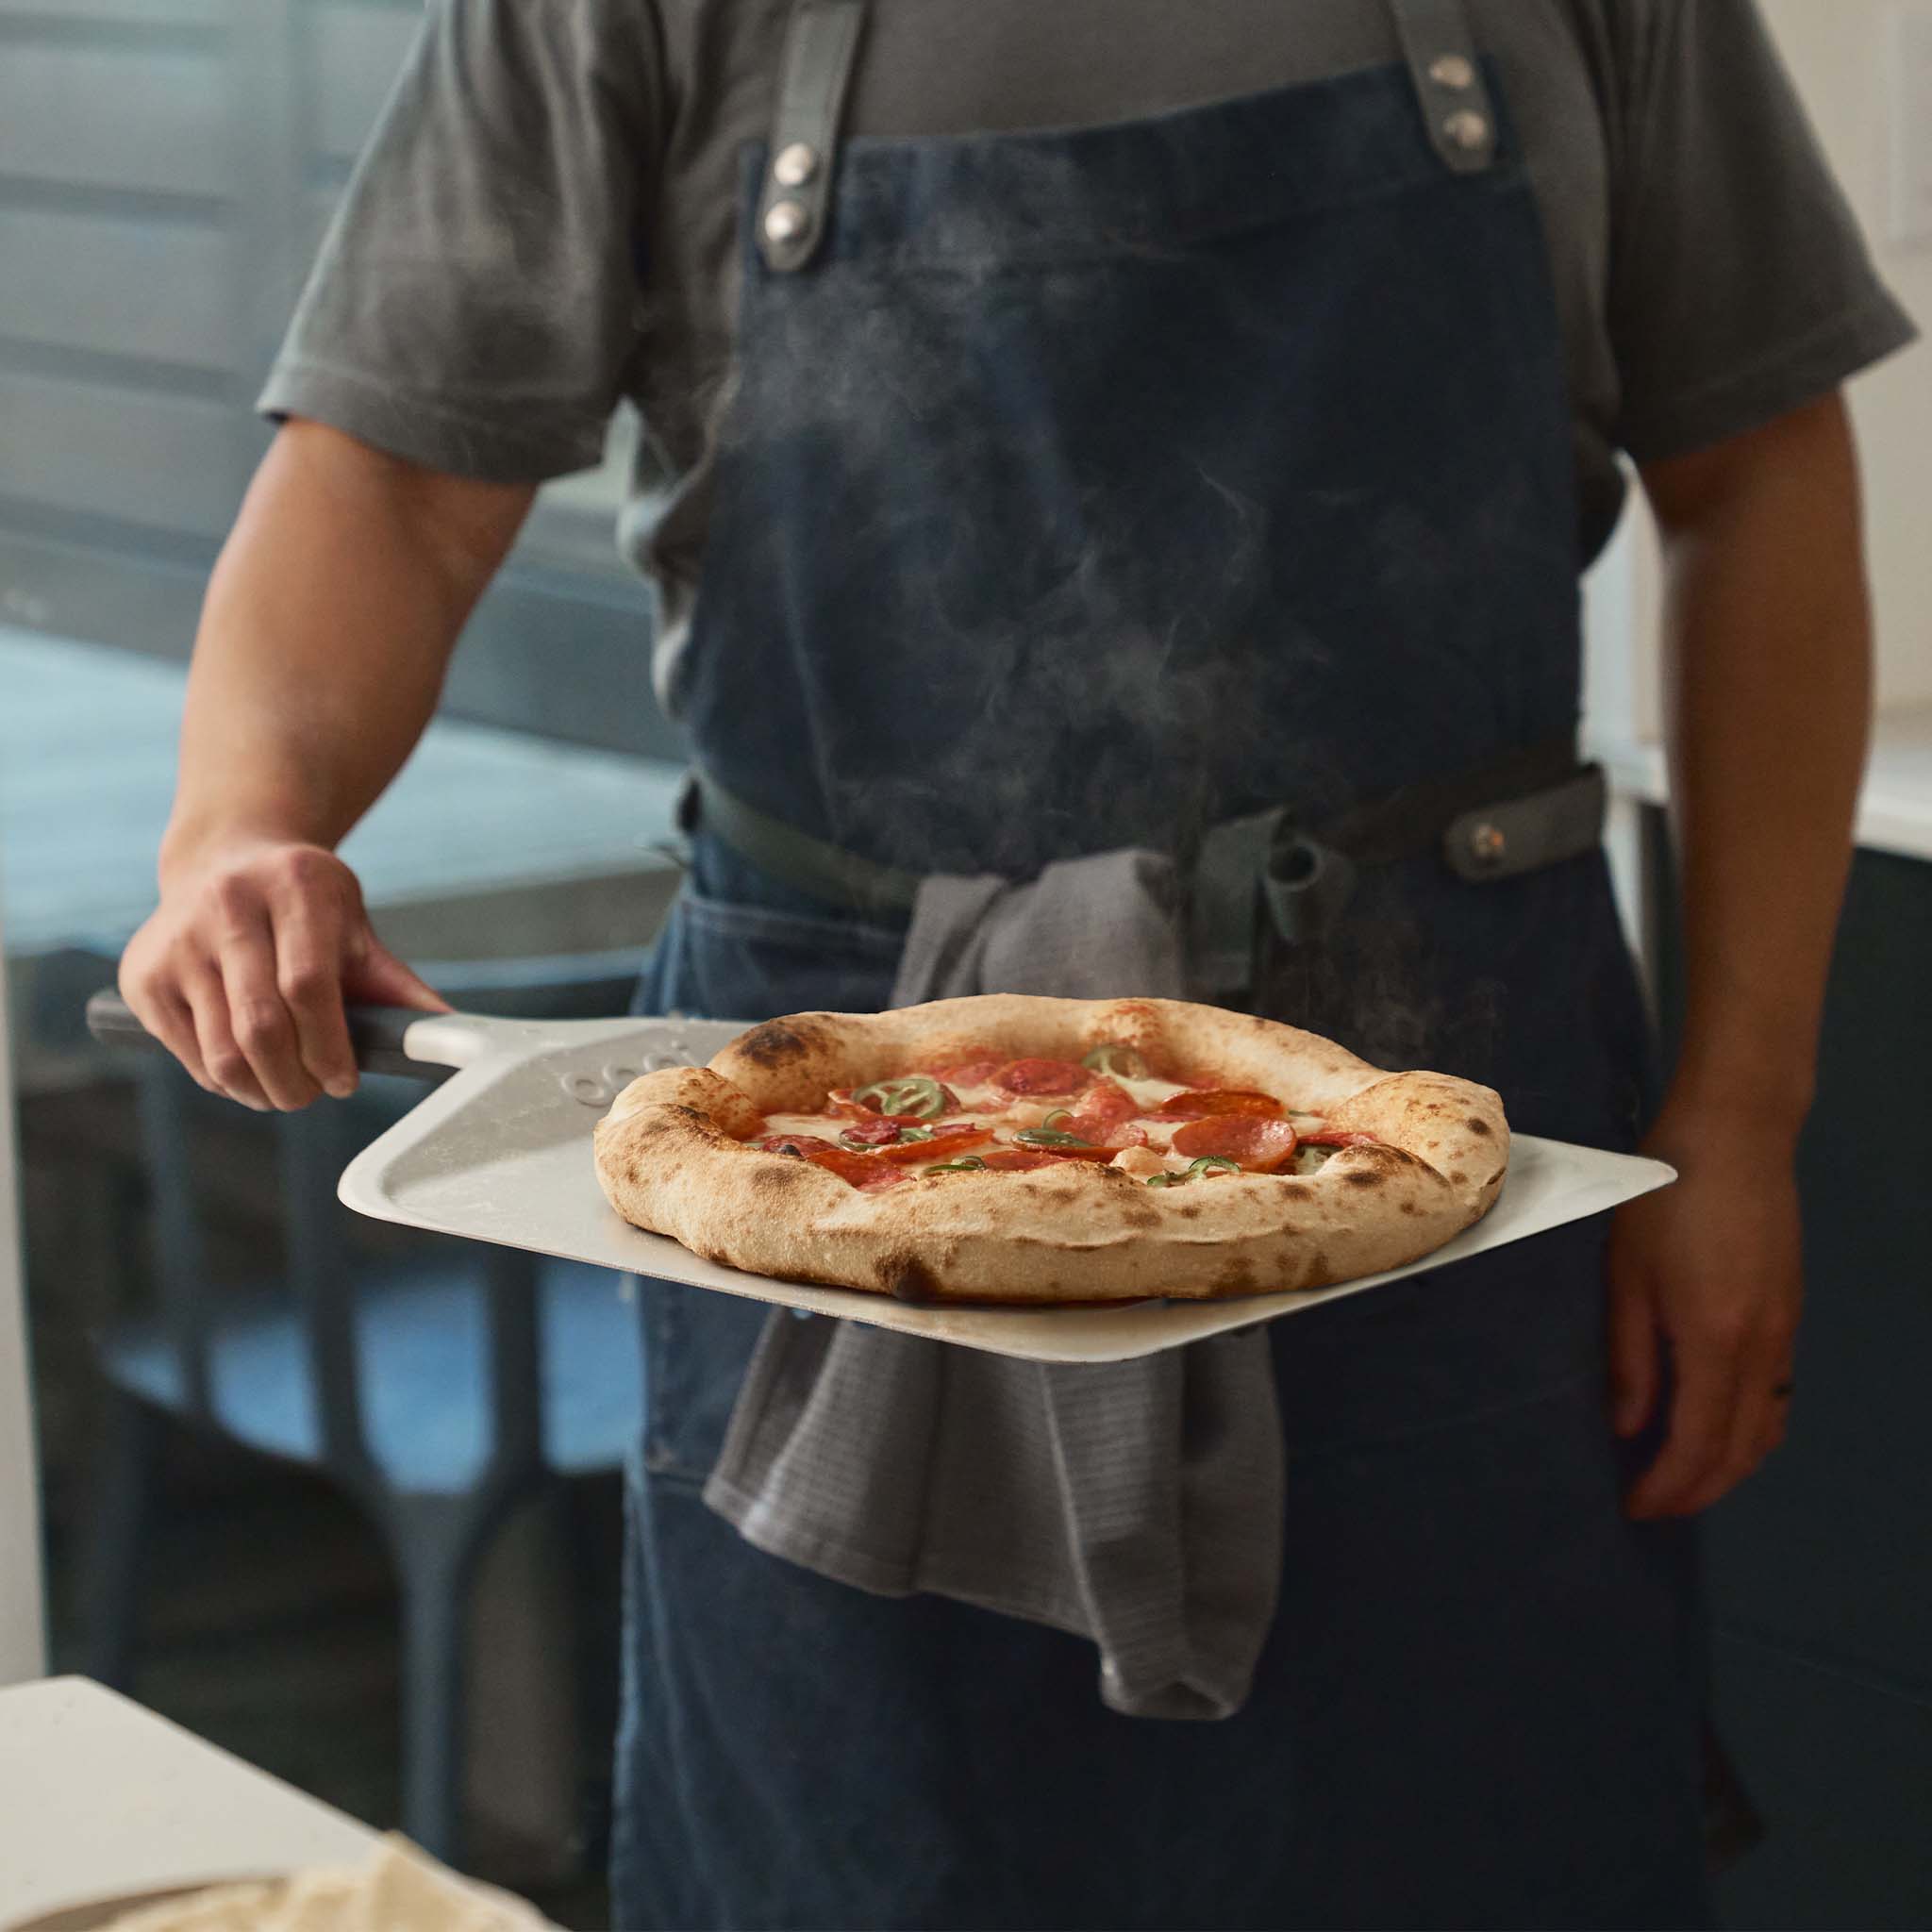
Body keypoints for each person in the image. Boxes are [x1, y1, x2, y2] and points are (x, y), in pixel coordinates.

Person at [117, 1, 1911, 1924]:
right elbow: (390, 480)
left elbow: (1758, 473)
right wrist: (237, 820)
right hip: (822, 1143)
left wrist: (1739, 1109)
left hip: (1451, 1137)